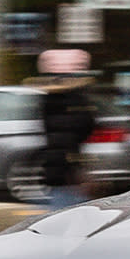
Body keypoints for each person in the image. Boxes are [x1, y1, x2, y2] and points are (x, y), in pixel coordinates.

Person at [30, 48, 100, 209]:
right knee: (70, 211)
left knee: (57, 206)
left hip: (53, 165)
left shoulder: (46, 100)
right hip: (70, 166)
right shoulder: (78, 99)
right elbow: (88, 125)